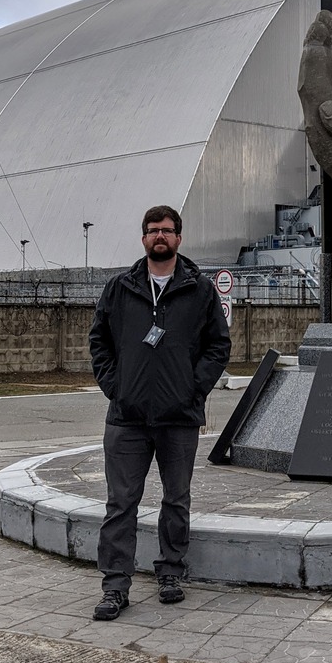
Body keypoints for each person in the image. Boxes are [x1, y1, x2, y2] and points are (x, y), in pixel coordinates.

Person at [88, 205, 231, 620]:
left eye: (166, 230)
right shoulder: (120, 288)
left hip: (178, 419)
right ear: (144, 239)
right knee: (121, 503)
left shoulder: (199, 289)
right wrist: (117, 388)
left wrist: (192, 390)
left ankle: (170, 571)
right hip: (127, 418)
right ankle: (115, 586)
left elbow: (218, 346)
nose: (159, 237)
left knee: (176, 499)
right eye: (152, 231)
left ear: (179, 238)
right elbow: (99, 341)